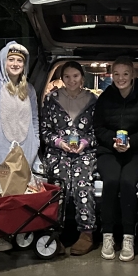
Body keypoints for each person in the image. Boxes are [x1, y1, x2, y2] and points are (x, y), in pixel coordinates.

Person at [93, 56, 138, 262]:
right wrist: (112, 142)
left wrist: (132, 142)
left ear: (132, 75)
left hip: (137, 151)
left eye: (125, 74)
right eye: (117, 74)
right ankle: (108, 235)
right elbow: (98, 127)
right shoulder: (105, 98)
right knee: (111, 181)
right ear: (112, 76)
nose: (120, 78)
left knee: (128, 182)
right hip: (109, 151)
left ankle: (129, 237)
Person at [0, 42, 40, 251]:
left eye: (19, 60)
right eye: (11, 59)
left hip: (24, 151)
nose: (15, 63)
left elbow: (34, 120)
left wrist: (36, 143)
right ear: (3, 61)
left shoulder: (29, 89)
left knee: (21, 195)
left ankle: (18, 232)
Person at [40, 61, 98, 256]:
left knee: (83, 185)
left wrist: (85, 142)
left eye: (75, 76)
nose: (71, 80)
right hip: (58, 152)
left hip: (84, 152)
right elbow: (45, 130)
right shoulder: (51, 99)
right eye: (67, 77)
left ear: (82, 77)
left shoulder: (93, 100)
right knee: (59, 186)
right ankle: (54, 233)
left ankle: (86, 233)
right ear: (62, 79)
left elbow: (98, 131)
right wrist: (58, 142)